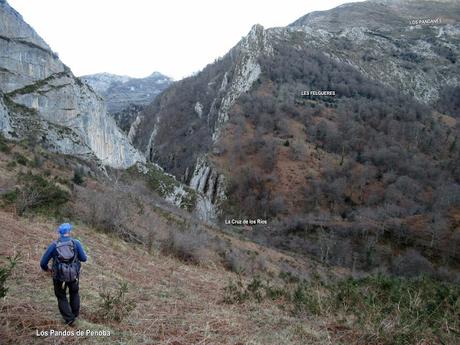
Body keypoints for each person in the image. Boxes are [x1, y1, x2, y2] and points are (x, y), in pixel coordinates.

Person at [40, 223, 87, 325]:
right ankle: (74, 314)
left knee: (61, 296)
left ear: (59, 233)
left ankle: (69, 319)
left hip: (58, 276)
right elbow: (84, 258)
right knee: (74, 293)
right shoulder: (76, 243)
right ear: (69, 232)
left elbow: (43, 263)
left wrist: (48, 270)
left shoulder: (54, 245)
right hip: (74, 275)